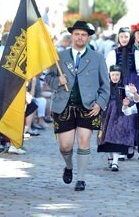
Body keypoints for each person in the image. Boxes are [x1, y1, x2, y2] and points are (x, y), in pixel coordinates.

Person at [45, 20, 110, 191]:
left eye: (83, 35)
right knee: (65, 146)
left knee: (84, 141)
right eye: (77, 34)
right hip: (64, 106)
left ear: (88, 38)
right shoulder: (59, 56)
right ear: (71, 36)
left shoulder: (97, 58)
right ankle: (69, 166)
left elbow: (105, 86)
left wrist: (100, 103)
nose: (80, 37)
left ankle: (81, 179)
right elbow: (48, 78)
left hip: (88, 107)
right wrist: (57, 81)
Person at [105, 27, 139, 158]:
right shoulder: (113, 53)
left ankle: (130, 145)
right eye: (121, 36)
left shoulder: (137, 54)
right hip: (118, 84)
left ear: (130, 38)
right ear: (118, 38)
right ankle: (121, 145)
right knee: (119, 115)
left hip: (133, 84)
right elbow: (109, 73)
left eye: (126, 37)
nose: (124, 39)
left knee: (132, 116)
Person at [97, 65, 134, 171]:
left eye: (117, 75)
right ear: (109, 75)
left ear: (120, 76)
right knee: (106, 134)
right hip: (107, 113)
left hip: (119, 114)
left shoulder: (124, 88)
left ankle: (115, 162)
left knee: (117, 135)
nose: (115, 77)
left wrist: (133, 93)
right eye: (113, 74)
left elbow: (132, 98)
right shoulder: (105, 87)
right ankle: (110, 158)